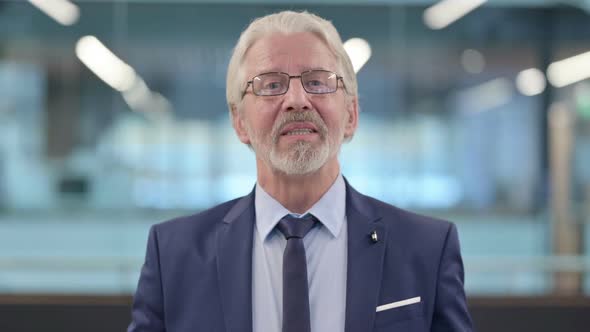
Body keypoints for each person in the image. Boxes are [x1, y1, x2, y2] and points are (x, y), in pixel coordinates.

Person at [128, 10, 473, 332]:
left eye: (318, 81)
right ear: (239, 122)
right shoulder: (173, 255)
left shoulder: (426, 249)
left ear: (351, 115)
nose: (297, 99)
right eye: (271, 84)